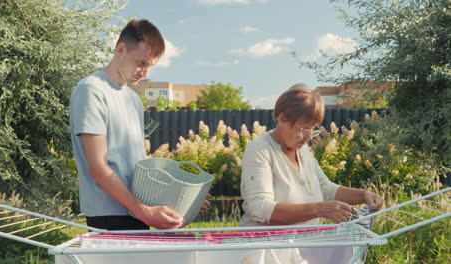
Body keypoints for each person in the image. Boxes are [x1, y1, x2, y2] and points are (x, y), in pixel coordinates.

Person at [70, 19, 209, 231]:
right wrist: (141, 209)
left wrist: (180, 200)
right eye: (141, 63)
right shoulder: (91, 90)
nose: (145, 74)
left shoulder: (133, 99)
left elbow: (134, 165)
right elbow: (98, 168)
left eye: (150, 66)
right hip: (108, 214)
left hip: (136, 211)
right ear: (121, 49)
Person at [240, 83, 383, 263]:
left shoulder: (303, 151)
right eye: (303, 128)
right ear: (282, 118)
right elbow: (260, 208)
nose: (309, 137)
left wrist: (364, 195)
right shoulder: (259, 150)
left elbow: (325, 188)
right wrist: (319, 209)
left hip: (305, 248)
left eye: (313, 129)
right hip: (268, 252)